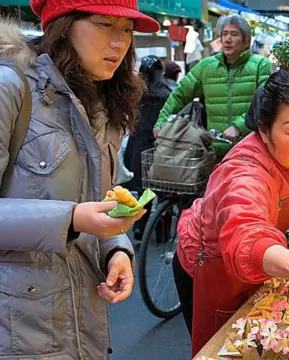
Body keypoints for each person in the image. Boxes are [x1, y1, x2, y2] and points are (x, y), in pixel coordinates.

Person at [0, 0, 158, 358]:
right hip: (16, 327)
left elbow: (97, 198)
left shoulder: (101, 102)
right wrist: (70, 219)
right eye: (105, 25)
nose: (119, 43)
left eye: (127, 30)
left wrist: (116, 249)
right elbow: (77, 212)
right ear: (63, 24)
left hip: (81, 317)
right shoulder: (10, 88)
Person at [172, 71, 289, 356]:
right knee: (225, 348)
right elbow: (245, 231)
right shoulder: (245, 172)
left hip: (254, 263)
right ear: (263, 130)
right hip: (210, 264)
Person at [154, 14, 272, 158]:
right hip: (215, 150)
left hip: (250, 149)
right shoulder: (206, 66)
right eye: (224, 34)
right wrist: (162, 121)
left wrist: (239, 126)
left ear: (247, 41)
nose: (228, 39)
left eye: (234, 34)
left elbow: (265, 101)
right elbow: (180, 95)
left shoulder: (260, 64)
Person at [124, 55, 171, 239]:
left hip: (138, 146)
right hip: (160, 146)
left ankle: (140, 227)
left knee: (144, 190)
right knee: (164, 191)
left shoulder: (135, 91)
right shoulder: (165, 92)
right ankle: (161, 232)